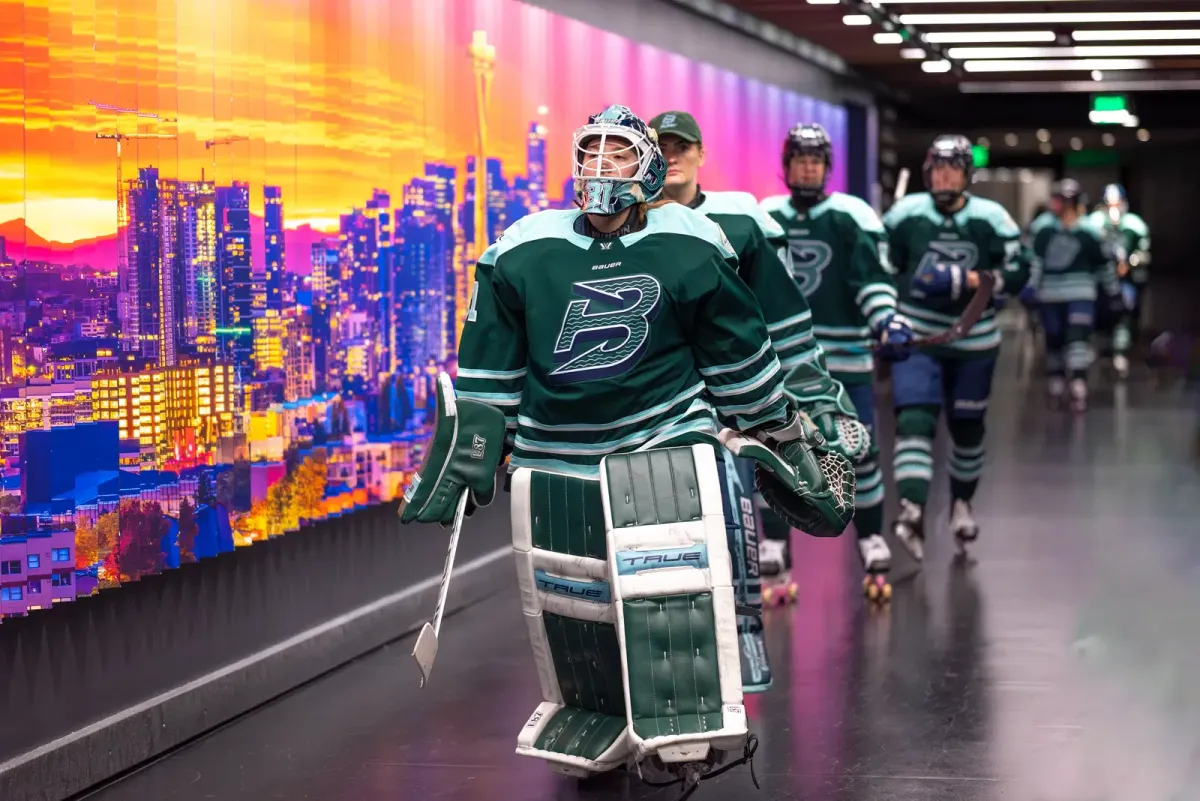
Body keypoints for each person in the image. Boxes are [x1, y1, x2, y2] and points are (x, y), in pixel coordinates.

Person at [397, 104, 855, 792]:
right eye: (591, 151)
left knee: (666, 576)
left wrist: (779, 424)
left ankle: (683, 707)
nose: (601, 165)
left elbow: (736, 349)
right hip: (556, 450)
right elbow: (492, 364)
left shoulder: (693, 240)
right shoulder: (522, 246)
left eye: (617, 152)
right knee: (568, 591)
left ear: (648, 168)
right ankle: (592, 708)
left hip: (662, 432)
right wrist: (477, 444)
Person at [648, 110, 869, 628]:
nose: (673, 157)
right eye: (662, 148)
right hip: (657, 407)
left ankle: (736, 634)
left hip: (733, 404)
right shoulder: (625, 225)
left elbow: (784, 322)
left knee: (730, 515)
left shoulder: (743, 221)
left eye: (683, 147)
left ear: (701, 154)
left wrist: (815, 396)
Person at [758, 121, 912, 600]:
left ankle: (870, 535)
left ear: (826, 167)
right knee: (775, 450)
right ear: (787, 167)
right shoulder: (765, 216)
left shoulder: (851, 215)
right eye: (800, 160)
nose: (808, 169)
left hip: (844, 358)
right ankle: (775, 543)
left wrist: (886, 320)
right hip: (783, 361)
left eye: (816, 161)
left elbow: (871, 279)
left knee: (858, 448)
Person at [881, 134, 1029, 561]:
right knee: (914, 419)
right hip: (919, 336)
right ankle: (912, 508)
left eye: (953, 170)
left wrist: (970, 280)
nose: (944, 177)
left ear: (967, 175)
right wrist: (889, 315)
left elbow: (1020, 270)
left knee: (967, 427)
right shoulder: (905, 215)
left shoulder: (991, 218)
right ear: (928, 173)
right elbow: (881, 269)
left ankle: (962, 502)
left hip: (973, 338)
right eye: (938, 169)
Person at [1028, 178, 1124, 412]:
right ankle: (1056, 378)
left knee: (1078, 336)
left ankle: (1078, 382)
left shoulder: (1090, 231)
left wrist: (1113, 292)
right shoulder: (1043, 229)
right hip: (1050, 294)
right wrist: (1031, 288)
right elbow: (1035, 261)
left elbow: (1103, 264)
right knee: (1055, 336)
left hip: (1081, 293)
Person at [1088, 183, 1151, 379]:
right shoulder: (1094, 224)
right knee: (1097, 313)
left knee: (1124, 312)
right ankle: (1099, 349)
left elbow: (1144, 253)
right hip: (1100, 280)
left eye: (1118, 204)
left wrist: (1130, 263)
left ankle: (1120, 352)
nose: (1114, 209)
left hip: (1126, 280)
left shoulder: (1134, 225)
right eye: (1110, 204)